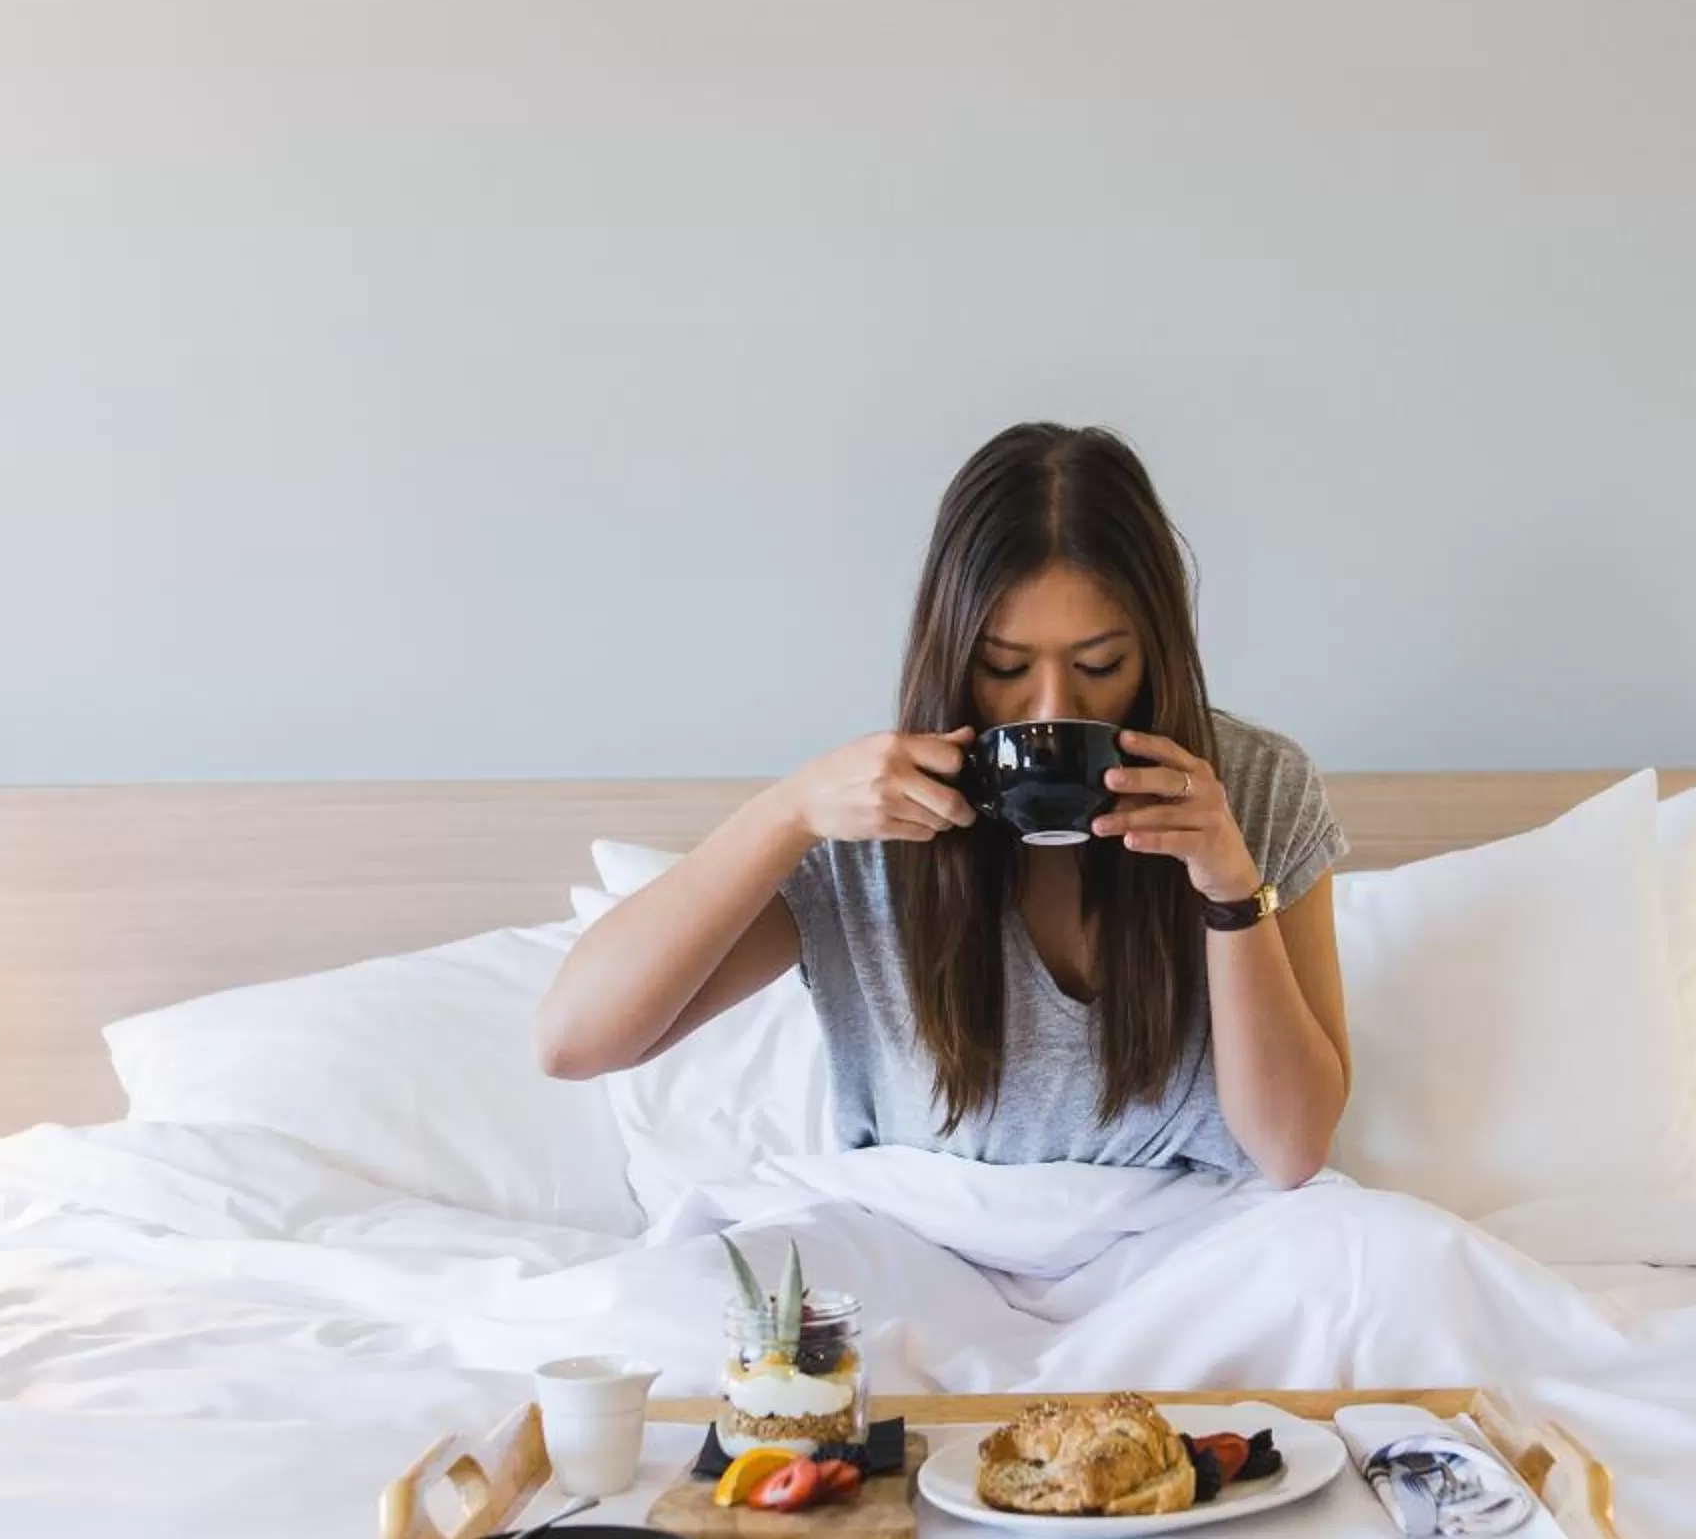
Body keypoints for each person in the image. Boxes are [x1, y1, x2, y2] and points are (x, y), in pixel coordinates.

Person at [535, 422, 1350, 1185]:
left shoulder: (1254, 787)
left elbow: (1291, 1151)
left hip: (1191, 1254)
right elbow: (574, 1042)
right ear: (952, 652)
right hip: (929, 1247)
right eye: (1004, 667)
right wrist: (786, 813)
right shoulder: (870, 814)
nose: (1050, 707)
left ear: (1160, 652)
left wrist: (1233, 895)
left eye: (1100, 665)